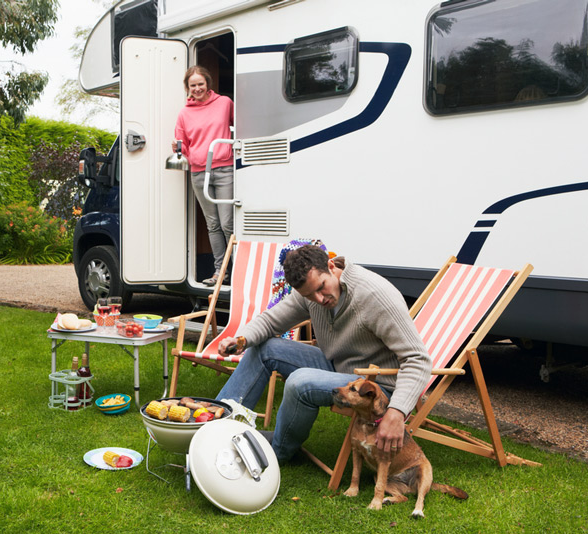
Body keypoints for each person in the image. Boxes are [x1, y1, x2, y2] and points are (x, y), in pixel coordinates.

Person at [215, 245, 432, 463]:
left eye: (321, 288)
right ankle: (214, 425)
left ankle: (276, 453)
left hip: (375, 385)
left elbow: (417, 359)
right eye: (309, 295)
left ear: (331, 266)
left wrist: (396, 411)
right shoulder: (310, 292)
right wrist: (241, 339)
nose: (319, 299)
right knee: (264, 347)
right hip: (338, 365)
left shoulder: (374, 295)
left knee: (300, 382)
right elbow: (271, 321)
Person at [173, 65, 234, 286]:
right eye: (192, 85)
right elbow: (184, 146)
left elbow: (243, 127)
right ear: (187, 88)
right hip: (199, 173)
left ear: (208, 83)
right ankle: (221, 271)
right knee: (213, 224)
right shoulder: (184, 113)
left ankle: (238, 267)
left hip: (224, 168)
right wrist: (179, 149)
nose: (197, 88)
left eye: (200, 84)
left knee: (228, 223)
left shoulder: (224, 103)